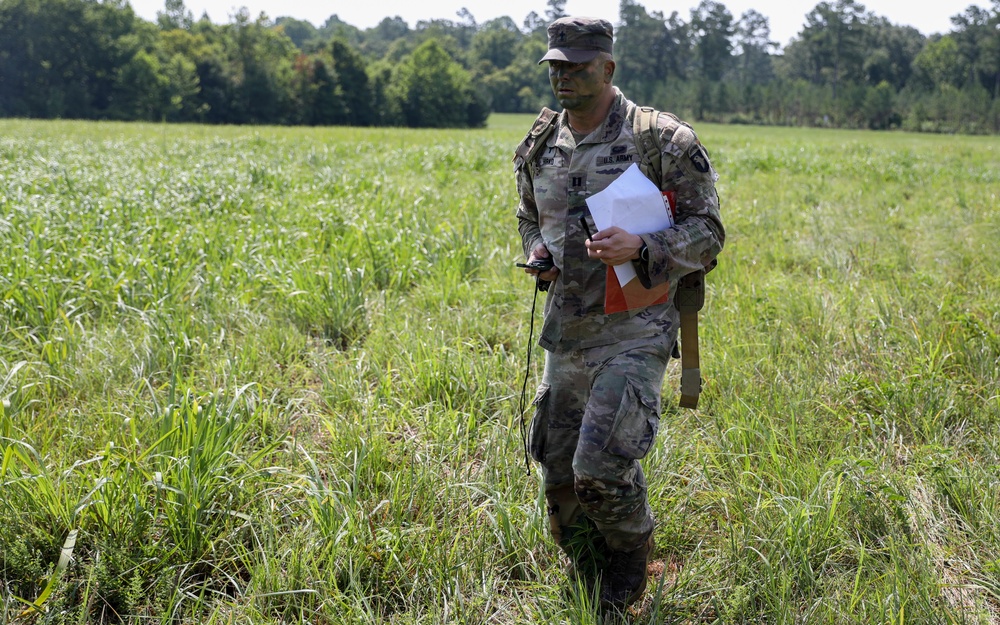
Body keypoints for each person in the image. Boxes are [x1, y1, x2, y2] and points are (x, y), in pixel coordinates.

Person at [514, 16, 725, 610]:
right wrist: (538, 251)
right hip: (568, 328)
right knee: (558, 472)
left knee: (601, 464)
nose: (565, 77)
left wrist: (644, 248)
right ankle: (586, 566)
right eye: (556, 66)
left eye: (578, 66)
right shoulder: (541, 141)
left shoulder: (663, 140)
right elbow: (530, 213)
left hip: (637, 327)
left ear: (608, 68)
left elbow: (708, 233)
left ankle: (630, 569)